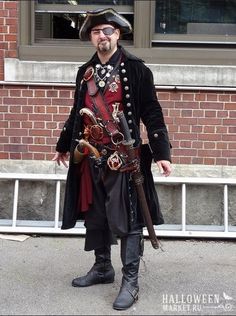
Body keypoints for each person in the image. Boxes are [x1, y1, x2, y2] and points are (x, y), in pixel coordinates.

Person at [52, 8, 172, 311]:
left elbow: (152, 112)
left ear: (118, 34)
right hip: (90, 155)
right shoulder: (85, 72)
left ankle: (130, 280)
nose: (101, 36)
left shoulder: (136, 69)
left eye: (107, 30)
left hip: (123, 159)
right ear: (91, 37)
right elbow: (75, 110)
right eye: (95, 32)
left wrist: (162, 154)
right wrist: (64, 144)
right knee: (96, 214)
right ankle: (103, 267)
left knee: (129, 218)